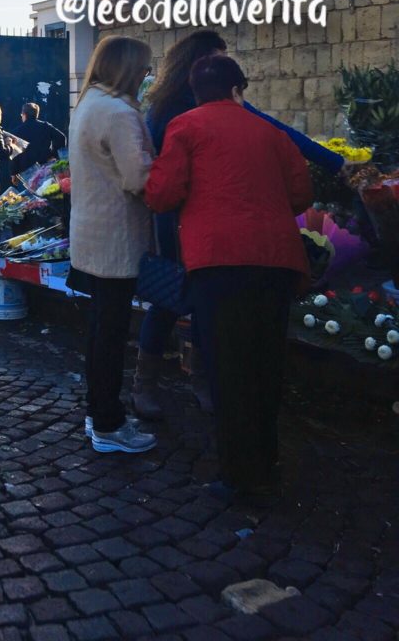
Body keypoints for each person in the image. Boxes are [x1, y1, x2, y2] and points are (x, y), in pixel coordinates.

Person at [133, 30, 345, 419]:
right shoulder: (168, 111)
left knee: (205, 302)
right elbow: (160, 174)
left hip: (208, 219)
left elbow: (280, 132)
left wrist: (337, 162)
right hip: (176, 217)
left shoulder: (218, 105)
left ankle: (202, 379)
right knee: (169, 296)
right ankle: (145, 383)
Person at [146, 55, 312, 500]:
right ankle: (267, 457)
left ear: (195, 91)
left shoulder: (185, 127)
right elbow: (301, 192)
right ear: (239, 89)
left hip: (218, 262)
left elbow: (162, 194)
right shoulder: (271, 133)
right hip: (276, 259)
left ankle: (240, 474)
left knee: (228, 367)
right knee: (266, 362)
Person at [69, 36, 158, 455]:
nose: (147, 76)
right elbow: (139, 179)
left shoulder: (89, 103)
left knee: (100, 332)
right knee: (111, 335)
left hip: (92, 234)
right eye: (144, 68)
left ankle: (98, 412)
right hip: (118, 238)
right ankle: (108, 423)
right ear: (128, 69)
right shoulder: (120, 113)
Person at [10, 103, 66, 177]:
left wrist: (13, 173)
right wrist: (54, 155)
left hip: (25, 171)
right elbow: (61, 137)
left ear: (24, 114)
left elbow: (14, 154)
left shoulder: (16, 132)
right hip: (45, 167)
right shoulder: (46, 126)